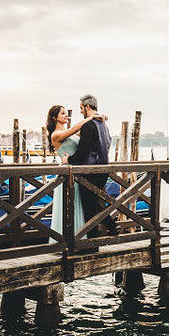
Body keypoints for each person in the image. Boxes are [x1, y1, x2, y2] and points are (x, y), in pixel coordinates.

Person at [45, 104, 106, 236]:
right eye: (63, 113)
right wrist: (92, 117)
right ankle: (68, 239)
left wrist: (98, 121)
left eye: (66, 113)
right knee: (70, 207)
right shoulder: (56, 135)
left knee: (83, 205)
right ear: (55, 118)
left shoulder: (69, 132)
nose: (66, 115)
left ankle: (81, 237)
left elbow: (85, 132)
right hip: (67, 174)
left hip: (77, 173)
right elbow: (76, 128)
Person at [66, 94, 119, 237]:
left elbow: (83, 150)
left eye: (81, 108)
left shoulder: (88, 125)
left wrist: (69, 159)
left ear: (87, 106)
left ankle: (92, 242)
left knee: (89, 208)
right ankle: (112, 227)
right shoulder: (103, 124)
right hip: (103, 169)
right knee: (94, 204)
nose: (81, 111)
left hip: (90, 171)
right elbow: (107, 144)